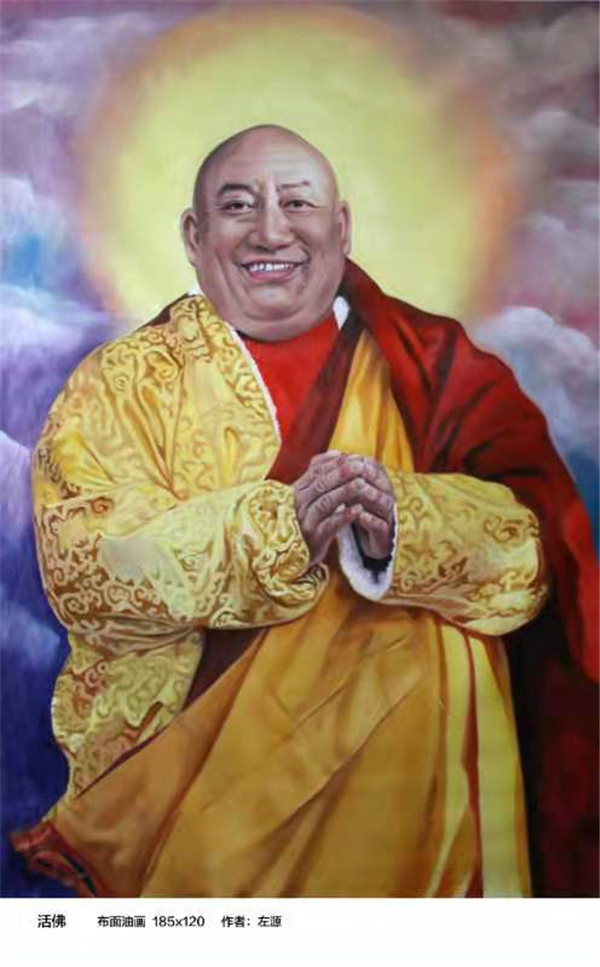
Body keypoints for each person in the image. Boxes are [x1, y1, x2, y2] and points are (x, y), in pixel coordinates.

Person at [12, 125, 598, 898]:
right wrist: (280, 530)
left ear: (341, 227)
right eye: (238, 206)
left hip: (425, 811)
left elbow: (538, 553)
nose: (270, 231)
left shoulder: (434, 367)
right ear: (193, 235)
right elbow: (88, 567)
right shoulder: (121, 385)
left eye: (297, 203)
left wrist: (403, 524)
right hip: (204, 801)